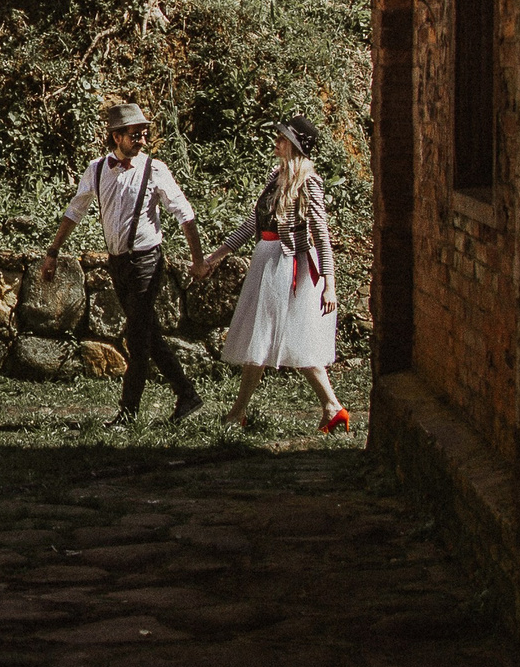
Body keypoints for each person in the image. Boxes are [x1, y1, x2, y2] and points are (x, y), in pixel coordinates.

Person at [43, 101, 207, 429]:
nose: (142, 140)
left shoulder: (154, 169)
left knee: (136, 336)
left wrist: (198, 260)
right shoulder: (97, 169)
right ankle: (187, 394)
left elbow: (185, 214)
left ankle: (127, 414)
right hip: (118, 263)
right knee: (149, 333)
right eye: (135, 135)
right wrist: (53, 251)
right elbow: (75, 210)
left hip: (147, 260)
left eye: (145, 134)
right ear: (116, 137)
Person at [194, 112, 350, 434]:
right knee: (263, 338)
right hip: (266, 259)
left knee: (276, 337)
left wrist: (330, 284)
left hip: (289, 265)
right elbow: (254, 224)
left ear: (294, 146)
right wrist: (217, 256)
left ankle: (239, 413)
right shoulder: (275, 177)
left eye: (282, 139)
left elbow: (321, 234)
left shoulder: (309, 183)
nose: (276, 143)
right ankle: (331, 408)